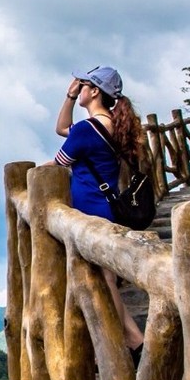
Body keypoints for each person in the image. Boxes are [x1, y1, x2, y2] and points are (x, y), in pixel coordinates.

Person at [53, 65, 147, 350]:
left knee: (105, 282)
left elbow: (57, 163)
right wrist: (70, 97)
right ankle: (134, 342)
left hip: (91, 212)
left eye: (83, 85)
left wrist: (31, 177)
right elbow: (62, 130)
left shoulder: (87, 129)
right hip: (107, 209)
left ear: (94, 91)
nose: (78, 88)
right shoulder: (110, 126)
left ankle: (128, 344)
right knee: (106, 281)